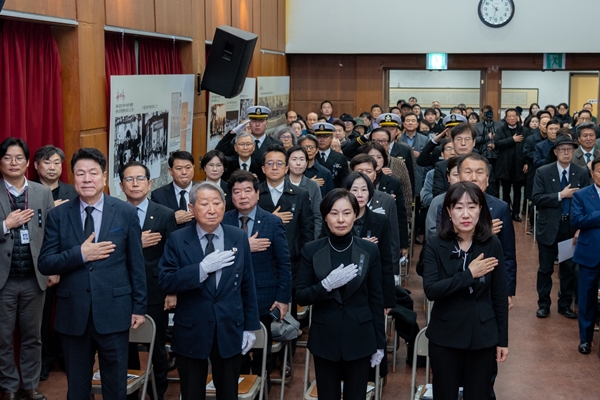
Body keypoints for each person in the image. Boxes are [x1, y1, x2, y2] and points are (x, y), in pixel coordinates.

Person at [38, 148, 147, 400]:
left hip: (115, 311)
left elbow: (136, 264)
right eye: (80, 173)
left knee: (115, 386)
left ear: (104, 177)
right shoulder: (58, 215)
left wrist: (139, 307)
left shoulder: (125, 212)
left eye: (93, 173)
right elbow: (45, 263)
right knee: (77, 389)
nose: (87, 179)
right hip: (73, 314)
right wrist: (81, 254)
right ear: (73, 177)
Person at [158, 181, 260, 400]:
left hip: (229, 328)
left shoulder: (238, 236)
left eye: (217, 203)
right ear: (191, 208)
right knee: (192, 393)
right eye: (204, 204)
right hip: (191, 331)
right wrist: (200, 270)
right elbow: (166, 281)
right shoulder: (178, 239)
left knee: (229, 393)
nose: (212, 210)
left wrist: (250, 327)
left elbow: (247, 284)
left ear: (224, 205)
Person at [296, 189, 385, 400]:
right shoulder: (311, 250)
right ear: (325, 216)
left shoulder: (369, 250)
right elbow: (300, 296)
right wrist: (325, 286)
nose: (341, 220)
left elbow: (376, 299)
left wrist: (379, 343)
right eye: (334, 213)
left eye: (346, 213)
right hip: (325, 337)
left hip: (360, 336)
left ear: (356, 215)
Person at [423, 181, 508, 400]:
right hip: (445, 335)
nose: (466, 214)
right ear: (449, 211)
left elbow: (499, 295)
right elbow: (431, 290)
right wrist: (469, 275)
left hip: (482, 335)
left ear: (481, 209)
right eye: (459, 207)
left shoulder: (492, 243)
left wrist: (503, 340)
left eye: (472, 206)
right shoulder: (434, 244)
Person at [223, 170, 291, 388]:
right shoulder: (223, 221)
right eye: (237, 192)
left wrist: (283, 299)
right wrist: (244, 246)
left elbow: (283, 263)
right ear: (231, 196)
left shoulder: (272, 222)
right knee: (236, 351)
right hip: (230, 297)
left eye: (247, 191)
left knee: (263, 352)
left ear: (257, 193)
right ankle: (239, 388)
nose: (243, 196)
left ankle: (263, 390)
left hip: (263, 297)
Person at [0, 138, 55, 400]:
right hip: (4, 280)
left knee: (33, 336)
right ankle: (9, 387)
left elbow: (53, 234)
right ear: (1, 162)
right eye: (7, 158)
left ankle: (30, 385)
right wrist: (5, 225)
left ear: (27, 162)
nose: (14, 162)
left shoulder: (42, 192)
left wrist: (53, 267)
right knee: (3, 337)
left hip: (35, 277)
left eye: (19, 157)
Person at [119, 161, 177, 400]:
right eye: (129, 179)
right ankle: (131, 393)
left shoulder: (165, 214)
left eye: (140, 179)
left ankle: (158, 393)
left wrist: (172, 291)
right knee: (125, 346)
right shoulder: (114, 213)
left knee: (157, 345)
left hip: (156, 290)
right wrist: (134, 243)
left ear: (150, 183)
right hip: (122, 290)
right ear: (121, 185)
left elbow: (173, 256)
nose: (135, 184)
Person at [532, 135, 590, 319]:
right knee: (545, 269)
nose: (566, 153)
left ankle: (564, 305)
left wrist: (581, 228)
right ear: (555, 152)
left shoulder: (581, 172)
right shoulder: (543, 172)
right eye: (562, 149)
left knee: (568, 269)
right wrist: (560, 195)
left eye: (569, 149)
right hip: (549, 228)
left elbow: (587, 201)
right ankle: (543, 304)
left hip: (570, 229)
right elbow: (536, 198)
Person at [32, 145, 77, 381]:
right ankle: (45, 360)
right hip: (41, 263)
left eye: (57, 163)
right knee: (41, 318)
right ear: (36, 165)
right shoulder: (30, 192)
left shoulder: (72, 192)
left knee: (71, 313)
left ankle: (67, 358)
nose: (52, 167)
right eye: (47, 162)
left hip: (71, 262)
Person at [257, 145, 314, 295]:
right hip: (261, 259)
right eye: (270, 163)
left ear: (286, 168)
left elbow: (307, 230)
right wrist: (272, 218)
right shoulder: (254, 194)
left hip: (291, 260)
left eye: (279, 163)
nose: (275, 167)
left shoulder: (301, 194)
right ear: (263, 169)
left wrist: (304, 258)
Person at [343, 172, 396, 311]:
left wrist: (388, 299)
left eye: (364, 190)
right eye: (354, 190)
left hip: (371, 287)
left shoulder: (380, 220)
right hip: (343, 287)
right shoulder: (338, 220)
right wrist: (360, 245)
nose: (360, 195)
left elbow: (386, 261)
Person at [571, 158, 600, 354]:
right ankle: (585, 339)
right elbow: (576, 220)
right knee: (587, 298)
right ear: (592, 173)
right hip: (590, 254)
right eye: (599, 171)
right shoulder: (581, 195)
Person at [495, 108, 530, 221]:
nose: (511, 118)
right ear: (505, 118)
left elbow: (528, 147)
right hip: (505, 165)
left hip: (519, 165)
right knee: (505, 191)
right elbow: (497, 143)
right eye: (509, 116)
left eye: (514, 116)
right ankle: (506, 212)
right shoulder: (500, 130)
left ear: (518, 117)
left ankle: (515, 213)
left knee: (517, 191)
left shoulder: (524, 130)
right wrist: (512, 139)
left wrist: (526, 163)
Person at [216, 106, 282, 162]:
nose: (257, 124)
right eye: (254, 121)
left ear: (266, 124)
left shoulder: (276, 144)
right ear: (249, 123)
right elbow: (219, 152)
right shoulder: (239, 143)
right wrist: (232, 133)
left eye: (261, 121)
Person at [150, 150, 196, 228]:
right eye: (179, 168)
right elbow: (153, 225)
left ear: (193, 168)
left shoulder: (205, 191)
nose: (184, 172)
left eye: (188, 168)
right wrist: (172, 220)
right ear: (170, 171)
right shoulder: (158, 195)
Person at [287, 145, 323, 239]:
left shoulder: (313, 185)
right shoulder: (281, 183)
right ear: (287, 162)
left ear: (306, 163)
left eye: (302, 159)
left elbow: (318, 215)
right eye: (294, 159)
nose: (298, 163)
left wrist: (313, 239)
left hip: (306, 237)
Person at [313, 123, 350, 188]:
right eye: (319, 136)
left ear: (331, 138)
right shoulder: (310, 156)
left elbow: (344, 182)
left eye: (325, 136)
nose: (322, 140)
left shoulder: (340, 158)